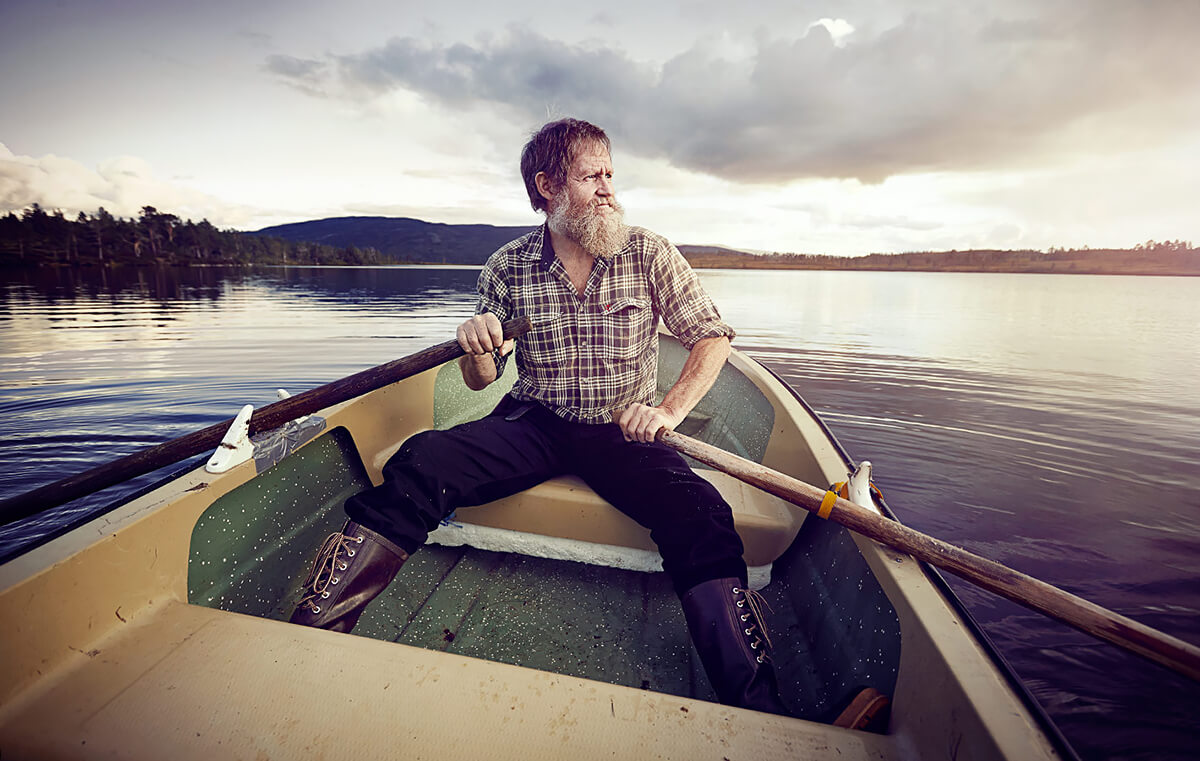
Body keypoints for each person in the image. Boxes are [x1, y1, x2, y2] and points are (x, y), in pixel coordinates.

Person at [288, 117, 787, 715]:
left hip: (622, 429)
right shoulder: (507, 267)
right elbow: (482, 379)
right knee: (422, 460)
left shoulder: (648, 252)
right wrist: (477, 346)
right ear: (548, 186)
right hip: (536, 420)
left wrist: (667, 410)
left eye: (610, 174)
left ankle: (755, 700)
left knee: (702, 511)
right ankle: (314, 631)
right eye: (591, 176)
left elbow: (711, 338)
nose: (608, 188)